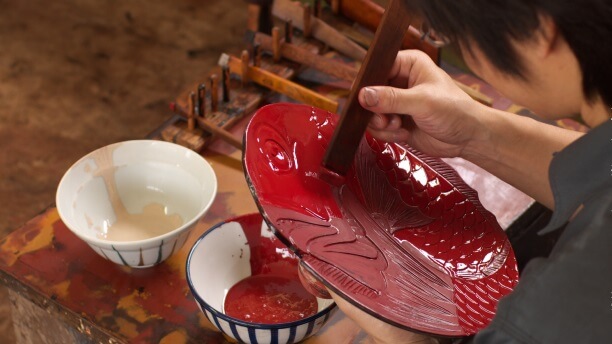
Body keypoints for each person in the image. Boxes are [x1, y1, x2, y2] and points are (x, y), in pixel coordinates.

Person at [328, 0, 612, 343]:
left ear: (536, 34)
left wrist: (398, 335)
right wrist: (474, 131)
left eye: (455, 35)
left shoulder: (556, 308)